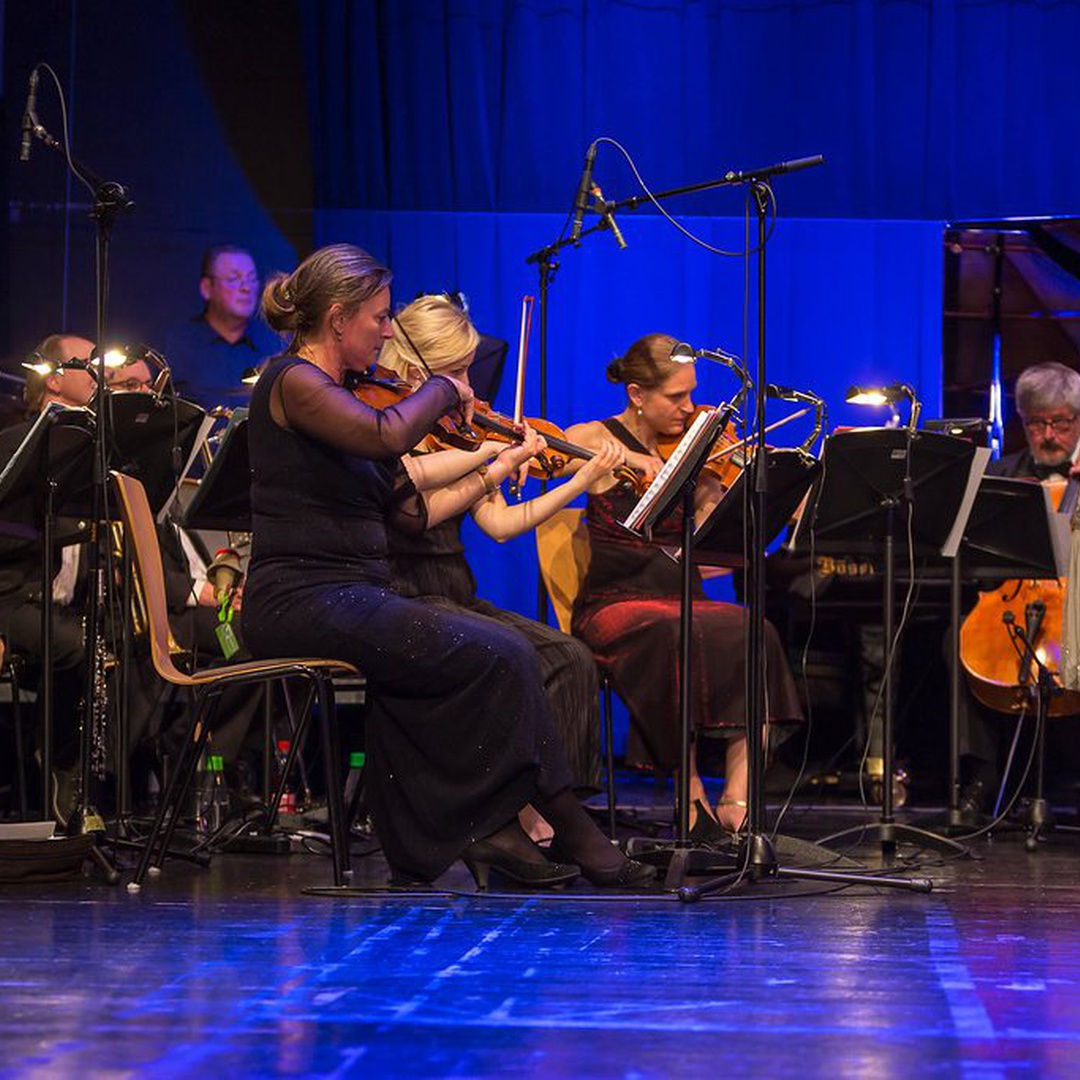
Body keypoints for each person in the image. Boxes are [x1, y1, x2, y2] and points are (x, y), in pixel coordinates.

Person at [243, 243, 654, 888]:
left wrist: (492, 461)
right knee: (505, 654)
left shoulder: (346, 394)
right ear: (339, 318)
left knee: (465, 667)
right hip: (301, 598)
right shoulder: (295, 382)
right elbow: (385, 438)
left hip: (354, 593)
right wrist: (443, 387)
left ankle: (489, 834)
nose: (387, 330)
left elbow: (407, 514)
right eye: (379, 317)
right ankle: (568, 828)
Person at [377, 295, 626, 825]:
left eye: (469, 369)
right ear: (413, 368)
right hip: (403, 593)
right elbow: (415, 511)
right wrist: (489, 461)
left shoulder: (464, 430)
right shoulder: (390, 435)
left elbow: (501, 525)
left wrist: (579, 481)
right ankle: (507, 814)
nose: (468, 386)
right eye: (454, 371)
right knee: (512, 657)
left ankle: (553, 806)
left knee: (569, 657)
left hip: (455, 590)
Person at [565, 332, 803, 838]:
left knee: (754, 630)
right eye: (676, 397)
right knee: (678, 634)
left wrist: (727, 484)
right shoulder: (596, 437)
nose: (688, 408)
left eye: (691, 394)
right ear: (636, 394)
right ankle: (688, 790)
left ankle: (738, 796)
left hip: (681, 594)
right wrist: (626, 460)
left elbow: (709, 541)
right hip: (617, 600)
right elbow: (558, 456)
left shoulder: (696, 444)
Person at [960, 361, 1080, 813]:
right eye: (1036, 424)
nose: (1049, 434)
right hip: (1014, 602)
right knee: (955, 643)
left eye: (1061, 423)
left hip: (1076, 604)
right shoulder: (1001, 473)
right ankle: (980, 776)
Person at [164, 245, 281, 409]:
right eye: (234, 279)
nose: (246, 288)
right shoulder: (177, 344)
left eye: (251, 278)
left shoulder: (274, 342)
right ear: (206, 288)